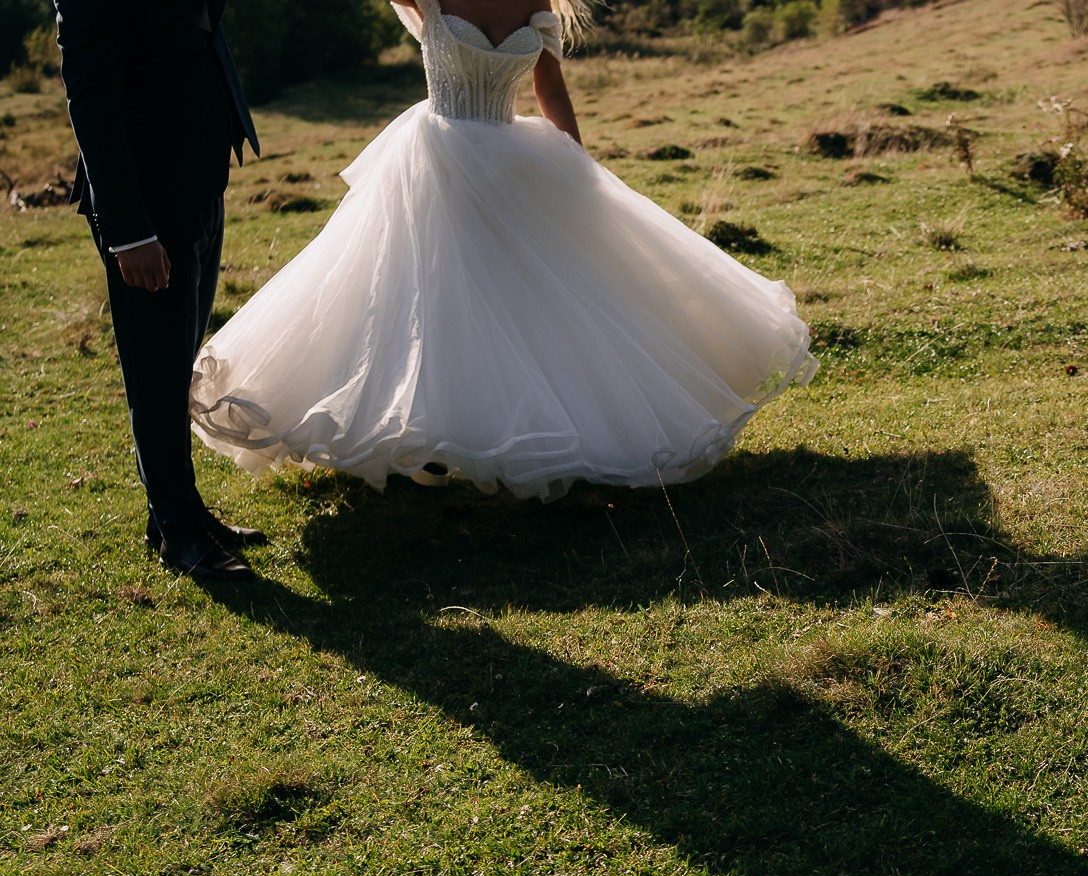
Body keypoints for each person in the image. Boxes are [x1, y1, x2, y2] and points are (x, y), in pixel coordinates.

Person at [188, 0, 817, 505]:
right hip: (445, 164)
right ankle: (426, 435)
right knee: (429, 292)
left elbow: (552, 91)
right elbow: (547, 92)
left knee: (493, 296)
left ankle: (486, 431)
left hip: (497, 159)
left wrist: (578, 171)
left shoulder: (524, 5)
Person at [57, 0, 267, 581]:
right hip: (146, 203)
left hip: (198, 175)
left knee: (176, 363)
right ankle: (177, 530)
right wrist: (129, 233)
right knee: (155, 370)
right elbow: (90, 93)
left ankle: (179, 512)